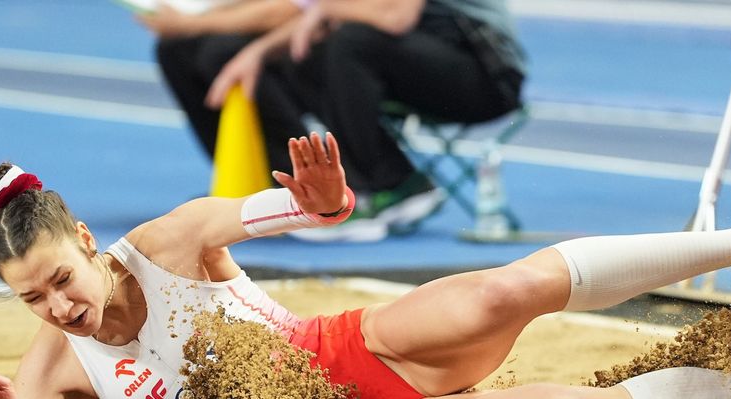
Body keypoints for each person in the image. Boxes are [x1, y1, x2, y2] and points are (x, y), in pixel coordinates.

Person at [0, 132, 731, 399]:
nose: (59, 308)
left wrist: (326, 198)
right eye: (32, 300)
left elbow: (302, 208)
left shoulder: (173, 241)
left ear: (88, 246)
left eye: (61, 281)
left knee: (508, 289)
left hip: (348, 351)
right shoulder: (54, 364)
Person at [204, 0, 527, 242]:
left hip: (488, 78)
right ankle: (397, 182)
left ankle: (366, 189)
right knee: (305, 54)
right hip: (426, 62)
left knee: (352, 40)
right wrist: (258, 53)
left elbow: (395, 17)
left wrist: (323, 10)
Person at [140, 0, 304, 160]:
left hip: (313, 39)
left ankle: (296, 166)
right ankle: (239, 171)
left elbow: (287, 11)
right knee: (176, 48)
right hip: (298, 30)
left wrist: (189, 23)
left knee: (223, 53)